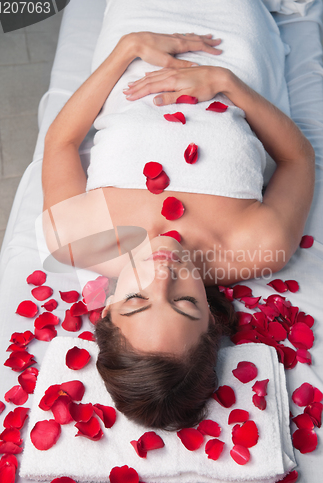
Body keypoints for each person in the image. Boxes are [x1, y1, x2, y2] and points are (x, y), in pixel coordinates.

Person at [42, 0, 315, 429]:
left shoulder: (78, 237)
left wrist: (128, 48)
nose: (162, 274)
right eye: (184, 302)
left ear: (108, 309)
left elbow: (60, 142)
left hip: (138, 21)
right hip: (229, 33)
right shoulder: (257, 247)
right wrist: (226, 83)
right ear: (213, 318)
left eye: (137, 299)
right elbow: (298, 159)